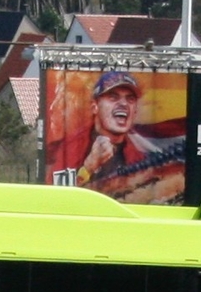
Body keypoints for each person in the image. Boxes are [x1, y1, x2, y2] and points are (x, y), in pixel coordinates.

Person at [72, 71, 183, 204]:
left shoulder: (141, 159)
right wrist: (88, 168)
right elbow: (57, 196)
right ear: (94, 106)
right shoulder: (67, 149)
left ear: (135, 109)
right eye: (113, 97)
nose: (123, 104)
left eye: (130, 99)